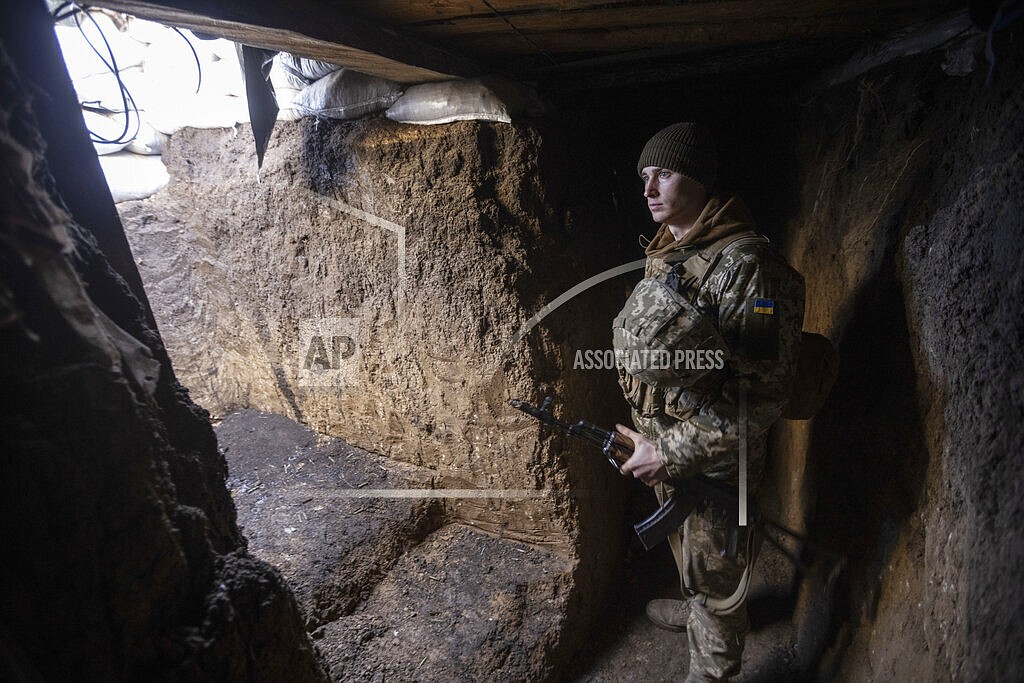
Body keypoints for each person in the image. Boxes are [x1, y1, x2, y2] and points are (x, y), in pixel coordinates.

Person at [612, 122, 805, 681]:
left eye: (664, 174)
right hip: (667, 455)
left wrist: (668, 452)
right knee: (689, 554)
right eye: (644, 176)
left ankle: (712, 659)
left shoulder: (754, 272)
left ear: (698, 180)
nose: (649, 189)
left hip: (716, 467)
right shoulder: (669, 250)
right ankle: (700, 605)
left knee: (718, 581)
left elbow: (761, 397)